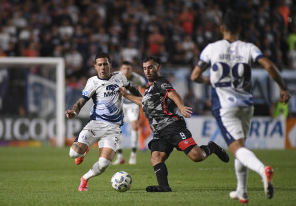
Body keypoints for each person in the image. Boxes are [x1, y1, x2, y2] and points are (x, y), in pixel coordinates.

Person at [191, 10, 290, 203]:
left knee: (237, 149)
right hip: (246, 105)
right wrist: (283, 88)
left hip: (225, 106)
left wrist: (208, 80)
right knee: (241, 146)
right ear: (240, 29)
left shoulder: (212, 48)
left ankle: (263, 171)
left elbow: (194, 76)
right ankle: (241, 191)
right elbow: (269, 66)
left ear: (221, 28)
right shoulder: (248, 47)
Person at [119, 56, 229, 192]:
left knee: (196, 156)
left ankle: (212, 147)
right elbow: (143, 102)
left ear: (158, 68)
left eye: (150, 67)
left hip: (173, 126)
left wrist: (181, 107)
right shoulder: (148, 90)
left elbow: (172, 94)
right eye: (145, 68)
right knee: (156, 157)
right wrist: (126, 95)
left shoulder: (161, 82)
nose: (147, 71)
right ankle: (164, 186)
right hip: (159, 132)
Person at [66, 52, 142, 192]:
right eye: (99, 65)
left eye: (105, 64)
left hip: (113, 129)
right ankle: (85, 149)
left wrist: (141, 98)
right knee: (74, 154)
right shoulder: (92, 82)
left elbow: (132, 87)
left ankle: (85, 179)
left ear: (110, 65)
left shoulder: (119, 77)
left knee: (103, 165)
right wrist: (74, 112)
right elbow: (81, 102)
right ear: (95, 66)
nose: (102, 67)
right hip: (95, 124)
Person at [113, 61, 147, 165]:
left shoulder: (138, 79)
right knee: (116, 129)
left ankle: (133, 155)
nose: (126, 71)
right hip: (120, 104)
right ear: (120, 69)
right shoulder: (115, 76)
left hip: (132, 104)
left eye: (128, 69)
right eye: (124, 69)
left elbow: (145, 87)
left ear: (131, 70)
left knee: (134, 126)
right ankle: (120, 157)